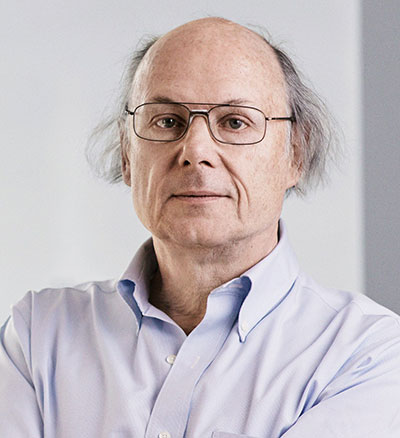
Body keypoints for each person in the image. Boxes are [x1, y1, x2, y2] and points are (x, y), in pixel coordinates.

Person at [1, 17, 399, 438]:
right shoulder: (37, 335)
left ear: (295, 155)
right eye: (168, 121)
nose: (195, 151)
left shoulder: (365, 354)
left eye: (234, 122)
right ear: (126, 156)